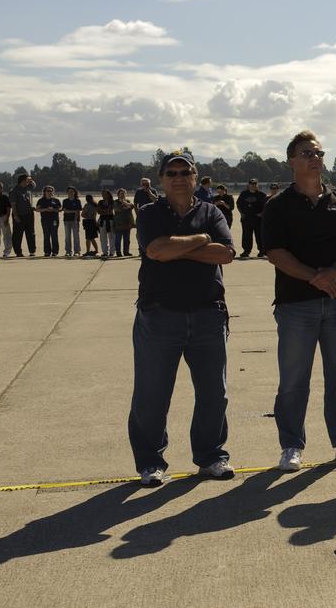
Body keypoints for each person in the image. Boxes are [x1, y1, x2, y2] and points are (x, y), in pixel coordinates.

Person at [262, 130, 336, 472]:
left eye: (318, 153)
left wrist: (334, 272)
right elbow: (275, 252)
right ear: (291, 162)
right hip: (296, 305)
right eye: (306, 153)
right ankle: (291, 445)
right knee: (294, 380)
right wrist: (315, 277)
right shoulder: (278, 206)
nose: (314, 158)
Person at [130, 150, 237, 487]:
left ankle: (211, 456)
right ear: (161, 180)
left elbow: (227, 254)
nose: (178, 178)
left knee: (213, 393)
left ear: (195, 176)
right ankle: (150, 462)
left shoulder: (212, 211)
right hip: (160, 317)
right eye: (171, 172)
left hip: (208, 316)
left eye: (185, 172)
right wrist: (202, 239)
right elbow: (156, 251)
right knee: (152, 394)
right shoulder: (150, 212)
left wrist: (179, 247)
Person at [235, 179, 267, 258]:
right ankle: (246, 251)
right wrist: (242, 213)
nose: (253, 186)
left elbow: (266, 206)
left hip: (258, 218)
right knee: (246, 235)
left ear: (257, 185)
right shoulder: (243, 194)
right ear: (249, 185)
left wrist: (262, 213)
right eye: (252, 184)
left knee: (259, 235)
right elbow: (239, 204)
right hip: (246, 218)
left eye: (255, 184)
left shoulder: (262, 195)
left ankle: (262, 251)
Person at [9, 171, 37, 258]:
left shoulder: (27, 188)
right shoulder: (14, 190)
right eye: (27, 180)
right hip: (19, 215)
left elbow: (34, 185)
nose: (28, 182)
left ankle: (32, 251)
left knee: (31, 233)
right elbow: (13, 204)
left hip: (29, 214)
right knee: (18, 234)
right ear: (22, 181)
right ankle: (18, 252)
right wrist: (16, 215)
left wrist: (30, 179)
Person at [35, 186, 62, 257]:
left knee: (54, 235)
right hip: (45, 220)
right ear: (44, 192)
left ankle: (55, 252)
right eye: (48, 191)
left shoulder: (56, 200)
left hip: (54, 220)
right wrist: (45, 209)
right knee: (46, 236)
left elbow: (60, 209)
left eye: (51, 191)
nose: (49, 192)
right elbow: (37, 209)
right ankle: (47, 252)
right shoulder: (41, 200)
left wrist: (53, 209)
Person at [113, 188, 136, 257]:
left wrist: (123, 202)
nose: (122, 195)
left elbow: (131, 206)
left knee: (127, 240)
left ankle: (126, 252)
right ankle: (118, 252)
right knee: (118, 240)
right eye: (121, 193)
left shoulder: (127, 201)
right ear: (118, 195)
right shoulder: (115, 202)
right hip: (118, 224)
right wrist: (126, 206)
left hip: (127, 223)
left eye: (123, 193)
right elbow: (117, 209)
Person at [61, 187, 82, 257]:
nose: (71, 193)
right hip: (66, 220)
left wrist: (77, 220)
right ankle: (68, 251)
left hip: (75, 221)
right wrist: (73, 211)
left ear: (74, 193)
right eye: (69, 191)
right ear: (67, 193)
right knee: (67, 237)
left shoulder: (77, 201)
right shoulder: (65, 201)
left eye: (72, 191)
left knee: (76, 236)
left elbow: (78, 212)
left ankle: (77, 251)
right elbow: (65, 210)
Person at [96, 189, 115, 259]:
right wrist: (105, 211)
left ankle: (112, 252)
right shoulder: (100, 202)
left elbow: (110, 212)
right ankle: (104, 252)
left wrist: (102, 210)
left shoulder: (112, 202)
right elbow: (98, 211)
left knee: (111, 237)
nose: (103, 195)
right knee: (103, 237)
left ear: (108, 194)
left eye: (105, 194)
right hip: (102, 220)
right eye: (102, 194)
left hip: (110, 220)